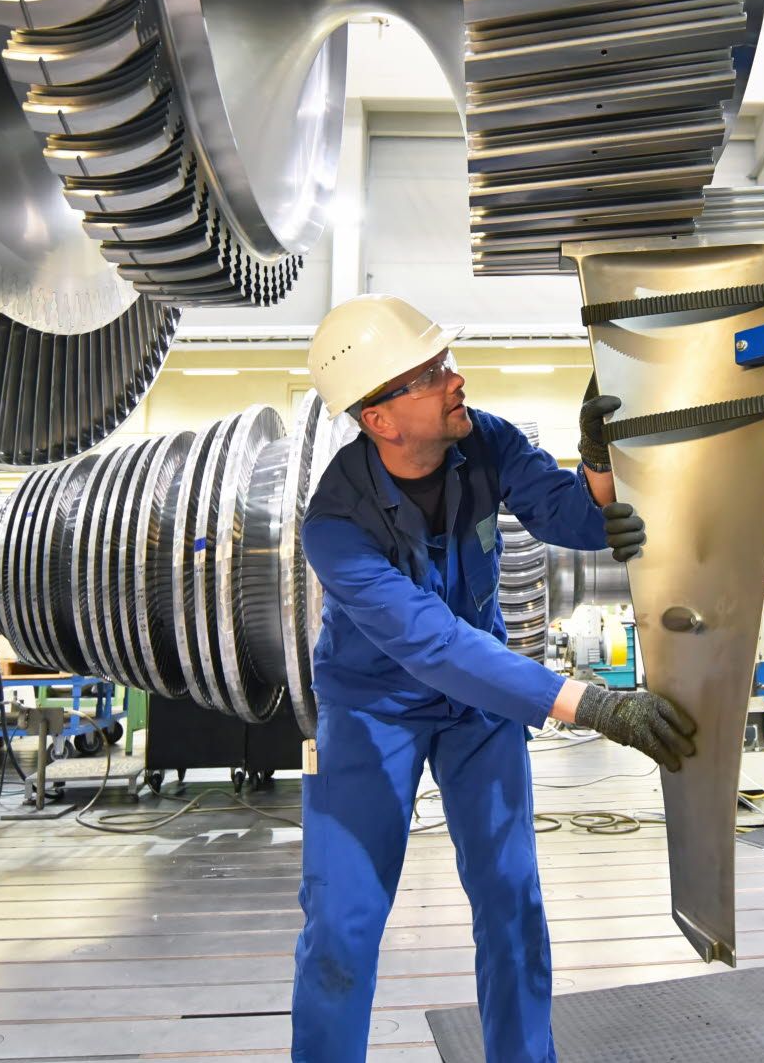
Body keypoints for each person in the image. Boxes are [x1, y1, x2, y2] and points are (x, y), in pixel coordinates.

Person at [293, 293, 697, 1063]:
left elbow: (571, 519)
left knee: (511, 899)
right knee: (342, 922)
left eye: (445, 361)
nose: (456, 378)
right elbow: (432, 643)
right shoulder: (335, 526)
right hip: (374, 709)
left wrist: (601, 460)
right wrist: (594, 703)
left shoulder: (485, 441)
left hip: (478, 709)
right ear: (380, 417)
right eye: (430, 371)